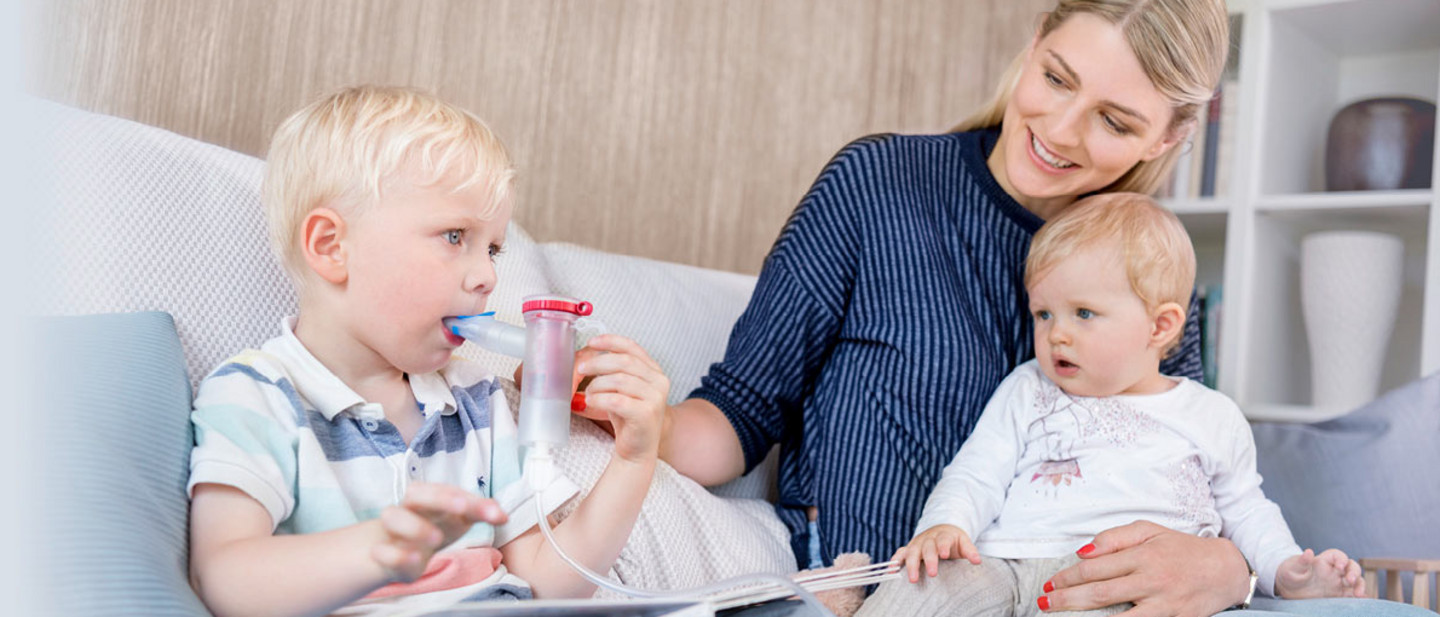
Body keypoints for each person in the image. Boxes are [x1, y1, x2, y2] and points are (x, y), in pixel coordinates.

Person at [649, 1, 1424, 614]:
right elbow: (741, 413)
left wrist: (1230, 565)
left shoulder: (1146, 267)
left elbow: (1188, 463)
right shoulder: (878, 187)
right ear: (1035, 39)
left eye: (1116, 121)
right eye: (1057, 78)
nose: (1059, 130)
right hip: (886, 587)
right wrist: (638, 424)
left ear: (1171, 137)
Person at [185, 86, 670, 617]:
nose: (487, 277)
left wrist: (633, 460)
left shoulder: (474, 402)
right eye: (455, 236)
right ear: (331, 246)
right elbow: (225, 580)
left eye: (492, 249)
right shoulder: (257, 395)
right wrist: (378, 551)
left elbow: (548, 581)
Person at [856, 193, 1366, 616]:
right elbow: (975, 472)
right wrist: (944, 528)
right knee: (919, 590)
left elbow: (1246, 509)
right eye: (1043, 313)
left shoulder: (1209, 415)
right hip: (1000, 565)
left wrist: (1284, 570)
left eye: (1083, 313)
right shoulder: (1027, 388)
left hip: (1114, 578)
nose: (1057, 335)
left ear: (1160, 326)